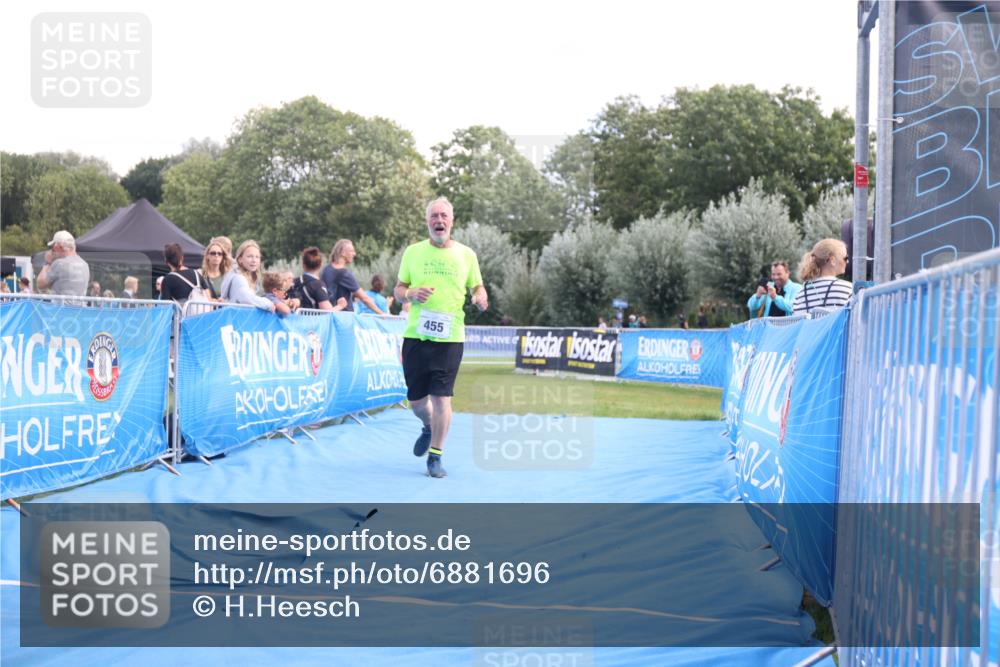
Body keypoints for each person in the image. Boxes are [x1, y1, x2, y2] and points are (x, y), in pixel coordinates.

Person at [394, 197, 487, 478]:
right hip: (416, 336)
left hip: (450, 337)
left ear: (452, 221)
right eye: (434, 216)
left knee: (442, 398)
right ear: (427, 221)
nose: (439, 220)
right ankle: (427, 426)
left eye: (444, 216)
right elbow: (398, 290)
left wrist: (480, 296)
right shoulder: (413, 252)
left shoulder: (467, 255)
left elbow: (478, 287)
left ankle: (435, 457)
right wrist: (411, 293)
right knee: (417, 402)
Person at [321, 240, 385, 314]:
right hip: (343, 317)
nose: (354, 254)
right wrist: (382, 314)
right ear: (343, 253)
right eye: (351, 251)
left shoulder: (326, 270)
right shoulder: (344, 274)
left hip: (328, 316)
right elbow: (365, 299)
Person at [792, 239, 853, 314]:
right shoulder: (848, 289)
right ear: (832, 260)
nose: (847, 261)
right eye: (845, 258)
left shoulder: (800, 295)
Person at [219, 240, 274, 311]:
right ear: (240, 259)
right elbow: (246, 298)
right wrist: (269, 304)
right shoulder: (238, 278)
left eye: (257, 257)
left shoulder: (250, 277)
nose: (254, 260)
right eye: (250, 256)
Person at [289, 247, 348, 311]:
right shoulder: (318, 285)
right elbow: (327, 312)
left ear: (303, 265)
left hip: (294, 316)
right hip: (310, 317)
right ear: (320, 265)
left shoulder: (293, 282)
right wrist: (340, 306)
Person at [36, 230, 89, 296]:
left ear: (59, 247)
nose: (53, 251)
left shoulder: (59, 264)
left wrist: (47, 263)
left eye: (53, 248)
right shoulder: (85, 264)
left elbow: (40, 284)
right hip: (79, 303)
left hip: (60, 303)